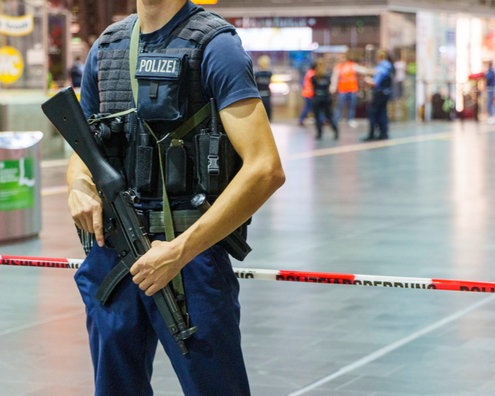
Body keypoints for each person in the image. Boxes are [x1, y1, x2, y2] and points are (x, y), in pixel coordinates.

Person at [66, 1, 285, 394]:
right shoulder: (107, 47)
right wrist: (79, 186)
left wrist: (180, 250)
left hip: (189, 262)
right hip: (115, 253)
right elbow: (84, 150)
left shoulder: (215, 46)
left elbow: (265, 168)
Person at [362, 49, 394, 141]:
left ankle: (372, 134)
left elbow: (375, 82)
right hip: (386, 93)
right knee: (383, 113)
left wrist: (367, 80)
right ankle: (383, 133)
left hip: (379, 94)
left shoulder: (382, 67)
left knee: (373, 113)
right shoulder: (389, 66)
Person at [331, 52, 363, 127]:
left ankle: (350, 119)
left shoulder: (352, 65)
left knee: (352, 106)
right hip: (342, 90)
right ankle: (336, 120)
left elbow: (362, 70)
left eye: (343, 57)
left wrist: (371, 71)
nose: (341, 59)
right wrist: (333, 87)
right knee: (339, 105)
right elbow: (334, 78)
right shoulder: (338, 67)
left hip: (352, 89)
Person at [311, 61, 339, 139]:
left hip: (317, 98)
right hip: (326, 98)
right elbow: (330, 87)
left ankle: (319, 133)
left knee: (317, 117)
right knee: (329, 116)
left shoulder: (314, 77)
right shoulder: (328, 76)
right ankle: (335, 131)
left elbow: (313, 88)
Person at [254, 55, 273, 120]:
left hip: (259, 95)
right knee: (268, 112)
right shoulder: (269, 73)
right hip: (267, 95)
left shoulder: (257, 74)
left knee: (260, 113)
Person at [298, 62, 316, 126]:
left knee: (311, 107)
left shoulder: (309, 72)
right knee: (308, 107)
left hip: (307, 92)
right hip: (310, 93)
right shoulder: (312, 74)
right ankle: (301, 119)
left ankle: (321, 119)